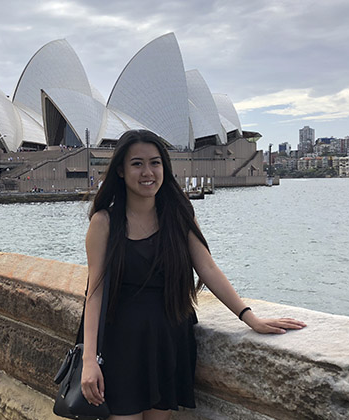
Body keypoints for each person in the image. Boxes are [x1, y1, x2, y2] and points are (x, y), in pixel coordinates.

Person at [80, 130, 305, 419]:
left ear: (165, 168)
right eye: (137, 164)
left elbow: (207, 268)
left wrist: (250, 317)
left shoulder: (179, 213)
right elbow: (95, 291)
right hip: (121, 342)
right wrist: (89, 359)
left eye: (155, 163)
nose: (147, 172)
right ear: (121, 171)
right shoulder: (104, 222)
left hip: (168, 338)